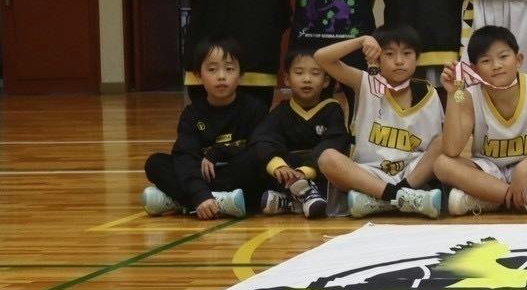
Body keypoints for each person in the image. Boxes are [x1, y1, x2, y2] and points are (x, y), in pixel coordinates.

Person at [435, 25, 527, 216]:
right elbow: (452, 150)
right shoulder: (470, 95)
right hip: (489, 174)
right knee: (442, 164)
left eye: (503, 57)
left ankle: (490, 200)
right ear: (474, 70)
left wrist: (526, 168)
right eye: (486, 61)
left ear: (518, 59)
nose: (496, 65)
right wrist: (453, 93)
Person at [315, 29, 445, 219]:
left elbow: (438, 147)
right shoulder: (365, 82)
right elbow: (321, 58)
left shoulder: (429, 92)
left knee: (445, 141)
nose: (399, 61)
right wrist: (362, 40)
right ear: (377, 58)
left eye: (407, 53)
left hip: (413, 174)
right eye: (389, 54)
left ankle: (385, 199)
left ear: (417, 58)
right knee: (327, 158)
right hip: (371, 174)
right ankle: (402, 198)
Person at [141, 38, 265, 219]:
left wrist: (219, 152)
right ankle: (217, 202)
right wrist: (199, 193)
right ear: (198, 75)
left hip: (235, 174)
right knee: (155, 164)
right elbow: (185, 156)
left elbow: (259, 149)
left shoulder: (254, 109)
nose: (221, 76)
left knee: (255, 162)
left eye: (229, 69)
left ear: (241, 74)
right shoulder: (192, 114)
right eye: (212, 69)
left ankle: (181, 201)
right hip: (202, 176)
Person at [251, 49, 352, 219]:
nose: (307, 79)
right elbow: (263, 138)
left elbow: (336, 140)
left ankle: (290, 201)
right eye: (299, 73)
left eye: (315, 73)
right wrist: (279, 166)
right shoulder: (281, 111)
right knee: (256, 154)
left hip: (316, 172)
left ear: (326, 81)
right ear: (286, 79)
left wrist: (306, 171)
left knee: (335, 158)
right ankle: (298, 197)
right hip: (288, 173)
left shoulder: (332, 109)